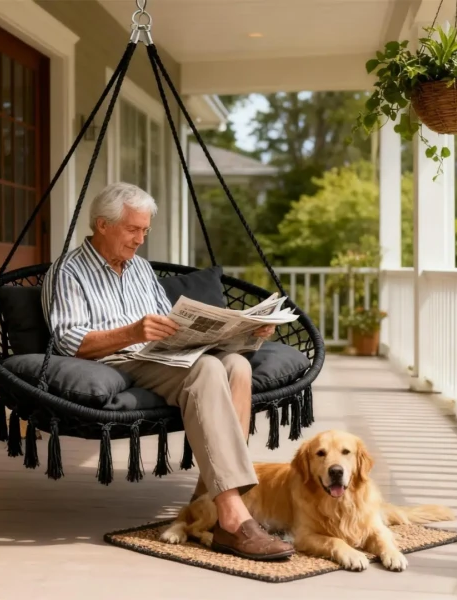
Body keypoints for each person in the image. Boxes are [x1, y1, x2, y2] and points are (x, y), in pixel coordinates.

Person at [41, 182, 294, 561]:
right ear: (102, 225)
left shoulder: (141, 269)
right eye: (133, 229)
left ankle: (210, 503)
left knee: (237, 365)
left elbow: (171, 326)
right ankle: (233, 520)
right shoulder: (68, 271)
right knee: (208, 369)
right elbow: (67, 341)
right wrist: (131, 332)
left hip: (165, 356)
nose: (140, 239)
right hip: (117, 360)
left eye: (145, 230)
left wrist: (245, 332)